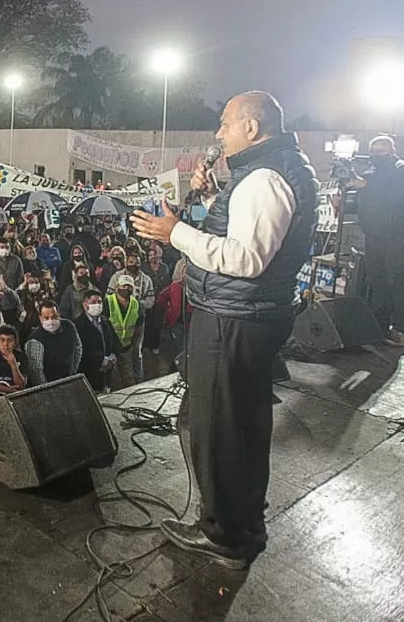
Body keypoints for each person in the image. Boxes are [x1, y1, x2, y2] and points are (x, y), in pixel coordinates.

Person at [132, 90, 316, 569]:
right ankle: (242, 519)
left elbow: (246, 259)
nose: (219, 132)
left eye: (226, 122)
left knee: (218, 427)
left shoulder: (265, 177)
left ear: (252, 128)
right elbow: (250, 231)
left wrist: (173, 232)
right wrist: (216, 196)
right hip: (249, 315)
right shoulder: (274, 171)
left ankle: (223, 533)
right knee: (241, 421)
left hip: (236, 319)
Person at [355, 136, 404, 346]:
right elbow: (362, 202)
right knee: (378, 283)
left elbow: (396, 197)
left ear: (393, 151)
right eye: (374, 151)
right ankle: (380, 326)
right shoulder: (370, 175)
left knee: (397, 281)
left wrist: (365, 185)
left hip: (398, 237)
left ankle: (403, 329)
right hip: (374, 237)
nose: (378, 156)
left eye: (382, 151)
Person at [24, 300, 82, 386]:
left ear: (59, 314)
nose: (50, 321)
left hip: (69, 381)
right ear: (40, 318)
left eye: (54, 316)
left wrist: (73, 373)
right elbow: (36, 371)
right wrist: (48, 390)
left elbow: (78, 348)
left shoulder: (69, 326)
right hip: (49, 385)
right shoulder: (35, 339)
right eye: (46, 318)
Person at [74, 289, 118, 391]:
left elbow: (115, 342)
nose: (97, 305)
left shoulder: (106, 322)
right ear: (85, 305)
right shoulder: (77, 325)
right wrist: (102, 360)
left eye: (99, 302)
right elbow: (82, 350)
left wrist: (113, 356)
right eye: (93, 302)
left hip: (107, 375)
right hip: (90, 375)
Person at [106, 274, 144, 388]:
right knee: (112, 380)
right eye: (123, 286)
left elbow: (139, 328)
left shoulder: (137, 305)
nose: (126, 289)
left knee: (128, 378)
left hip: (126, 347)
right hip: (111, 349)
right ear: (117, 286)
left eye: (129, 286)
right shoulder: (107, 302)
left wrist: (134, 345)